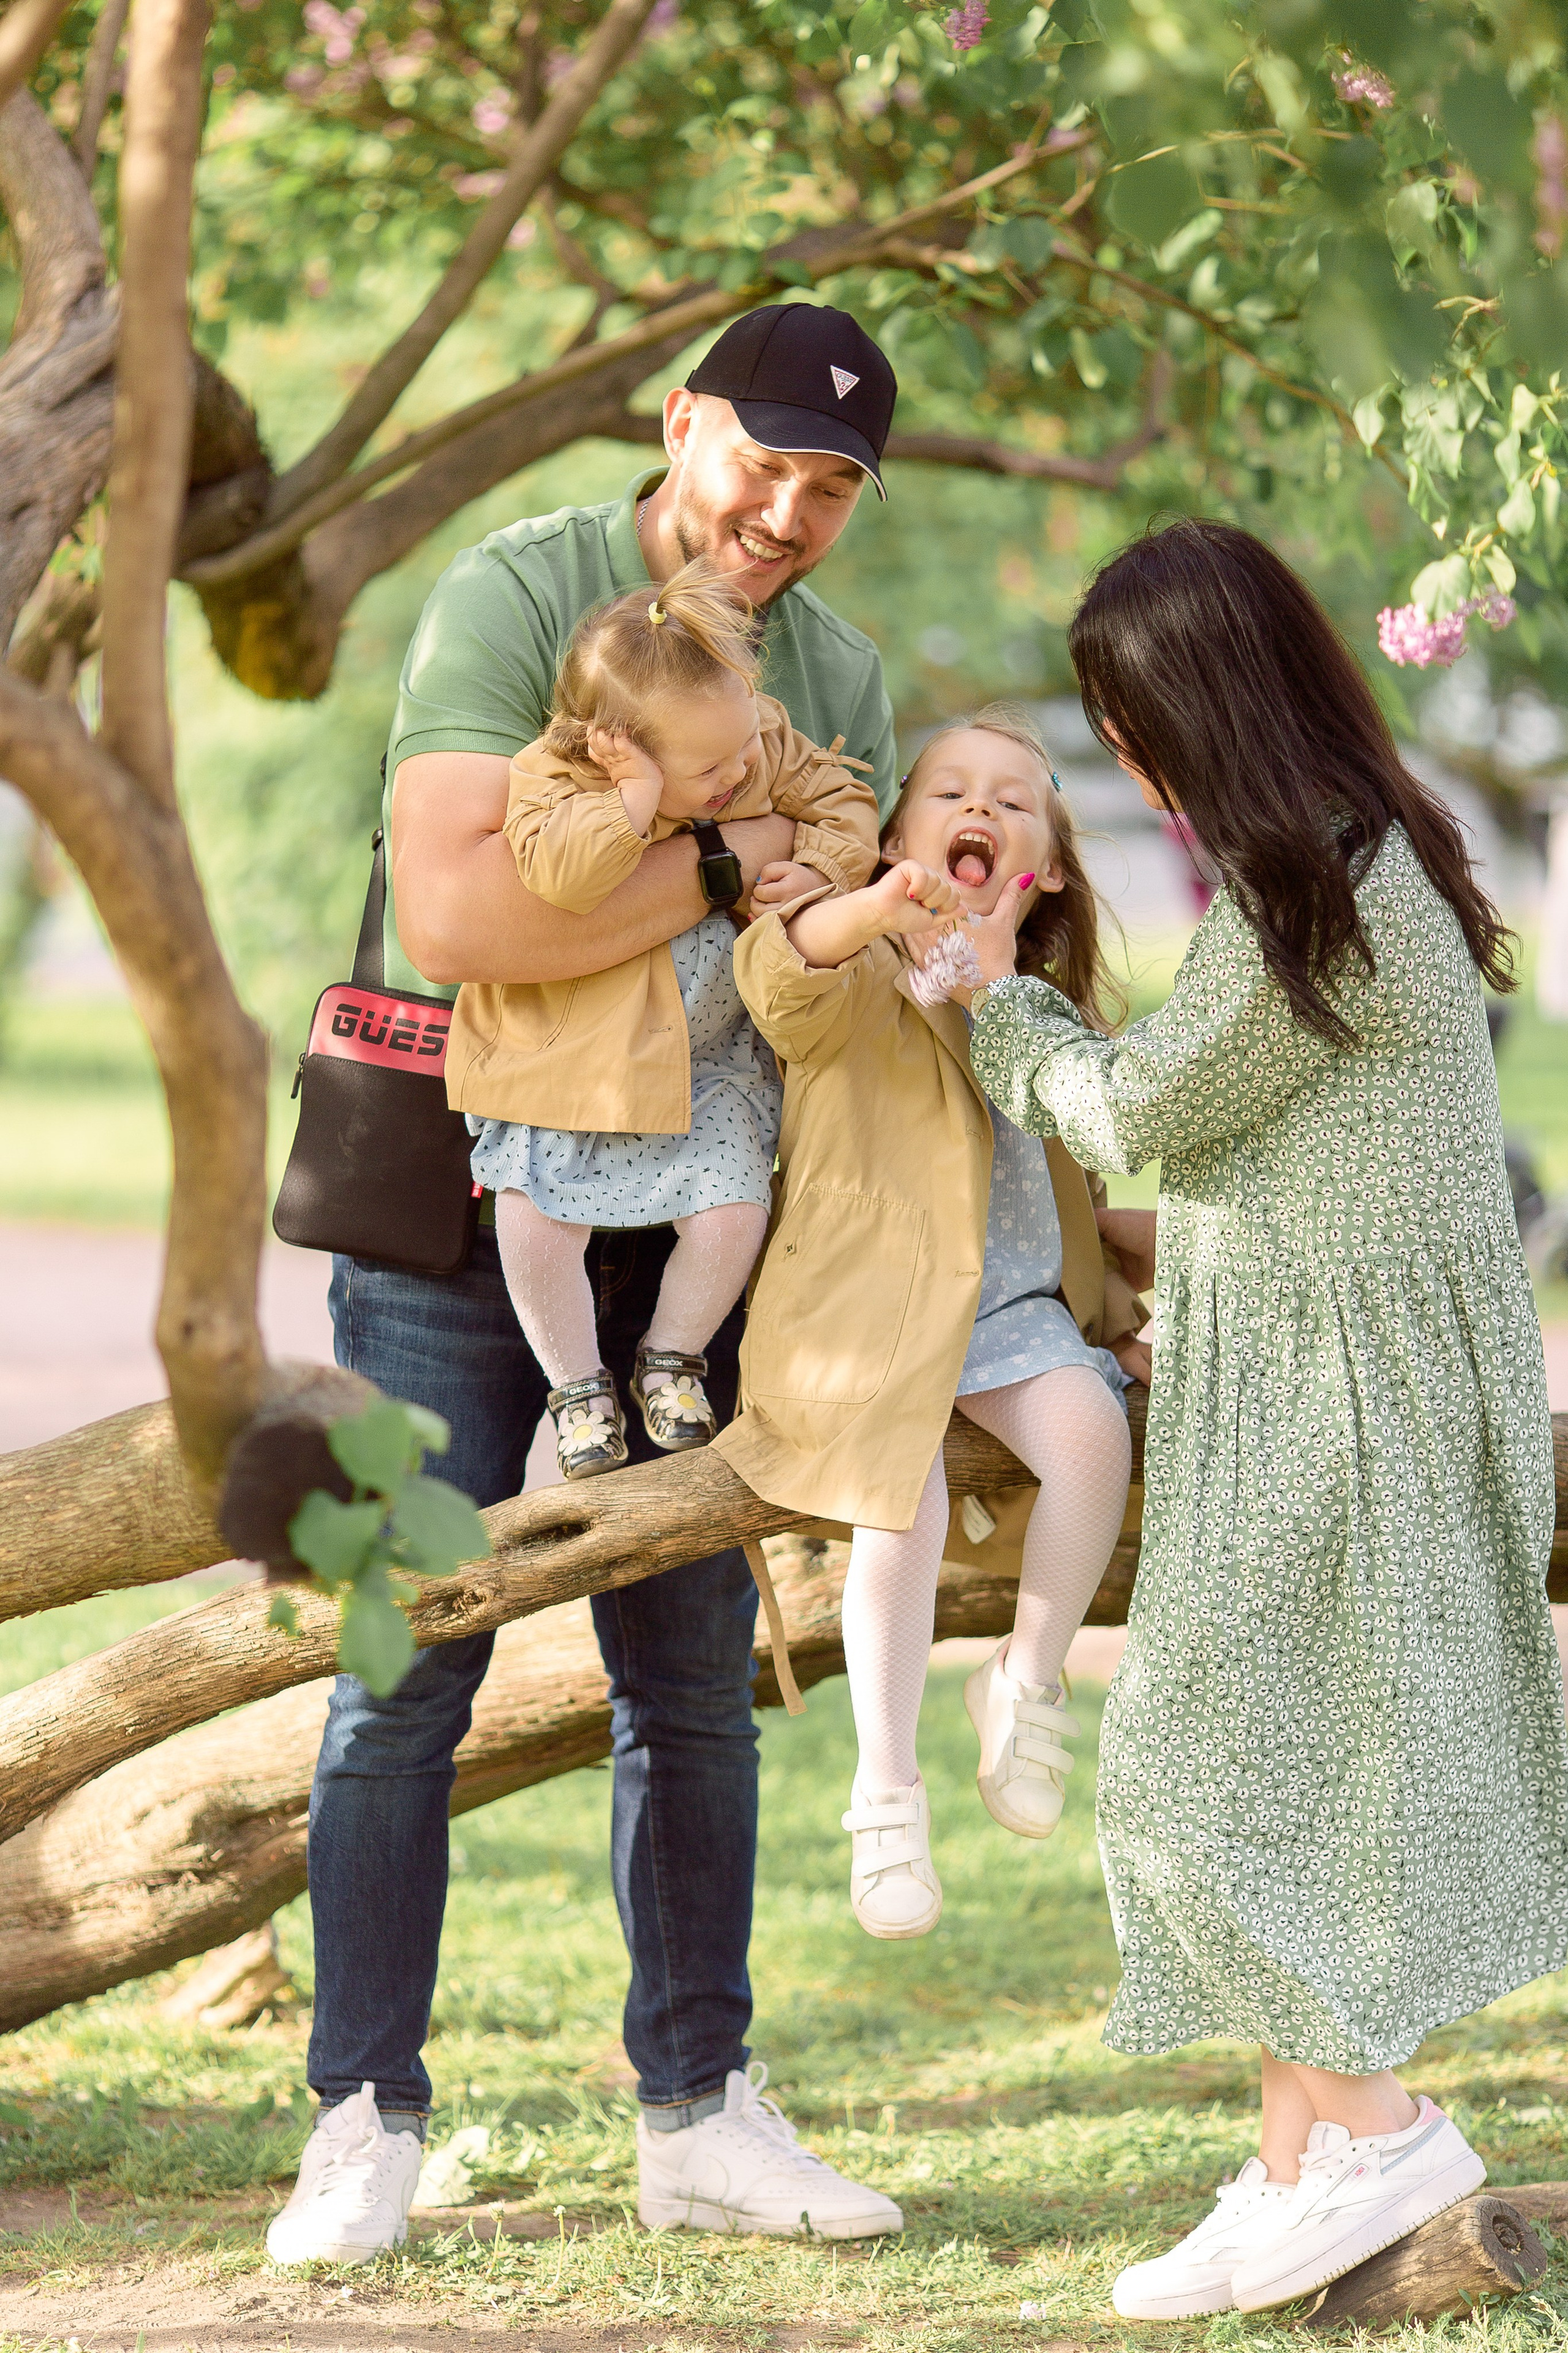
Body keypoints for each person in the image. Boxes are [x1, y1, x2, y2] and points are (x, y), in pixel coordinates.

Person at [266, 304, 907, 2267]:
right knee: (408, 1668)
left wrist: (717, 891)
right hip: (476, 1201)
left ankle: (699, 2109)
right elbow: (465, 907)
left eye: (834, 489)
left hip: (704, 1235)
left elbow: (836, 956)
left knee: (692, 1691)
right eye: (764, 463)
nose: (787, 516)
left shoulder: (848, 677)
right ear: (678, 423)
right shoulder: (516, 591)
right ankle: (362, 2112)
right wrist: (728, 865)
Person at [957, 519, 1568, 2319]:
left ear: (1199, 711)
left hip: (1345, 1396)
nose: (1124, 758)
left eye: (1129, 721)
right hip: (1321, 1365)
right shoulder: (1358, 861)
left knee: (1188, 1780)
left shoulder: (1318, 890)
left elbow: (1134, 1112)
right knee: (1267, 1776)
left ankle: (1377, 2136)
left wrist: (998, 1004)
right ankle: (1297, 2163)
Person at [715, 709, 1147, 1939]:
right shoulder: (855, 977)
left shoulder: (1040, 1009)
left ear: (1048, 868)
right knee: (890, 1503)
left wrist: (1109, 1320)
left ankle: (1025, 1678)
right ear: (897, 835)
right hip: (872, 1310)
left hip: (1008, 1310)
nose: (979, 810)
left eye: (1013, 803)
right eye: (948, 792)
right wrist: (865, 907)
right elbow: (780, 972)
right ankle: (883, 1790)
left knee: (1089, 1435)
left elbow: (1077, 1187)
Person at [447, 559, 878, 1479]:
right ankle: (576, 1385)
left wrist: (826, 868)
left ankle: (673, 1355)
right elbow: (567, 880)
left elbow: (841, 800)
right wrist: (635, 800)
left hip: (707, 1059)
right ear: (619, 746)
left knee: (733, 1212)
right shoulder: (556, 778)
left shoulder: (751, 738)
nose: (740, 773)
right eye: (709, 768)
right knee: (531, 1221)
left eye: (744, 751)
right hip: (569, 1063)